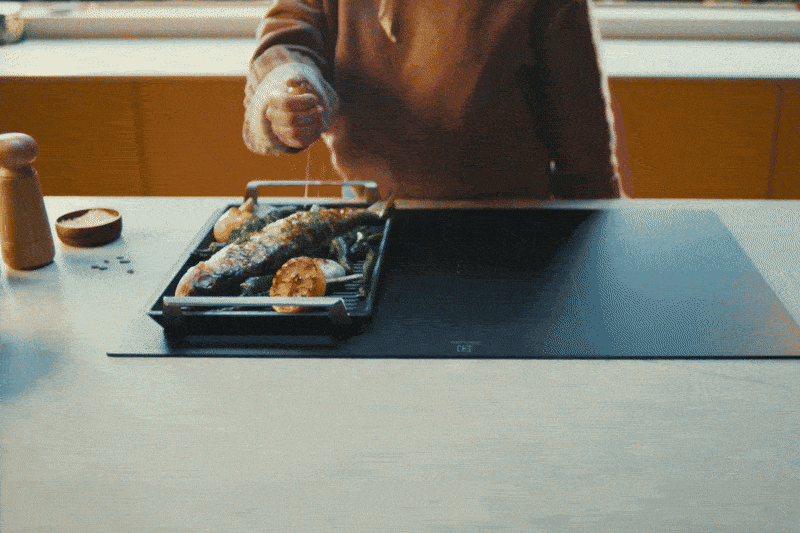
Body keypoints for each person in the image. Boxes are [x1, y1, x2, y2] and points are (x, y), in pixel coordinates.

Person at [242, 0, 624, 201]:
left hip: (510, 230)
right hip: (370, 217)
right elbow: (289, 37)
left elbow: (586, 154)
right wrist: (287, 89)